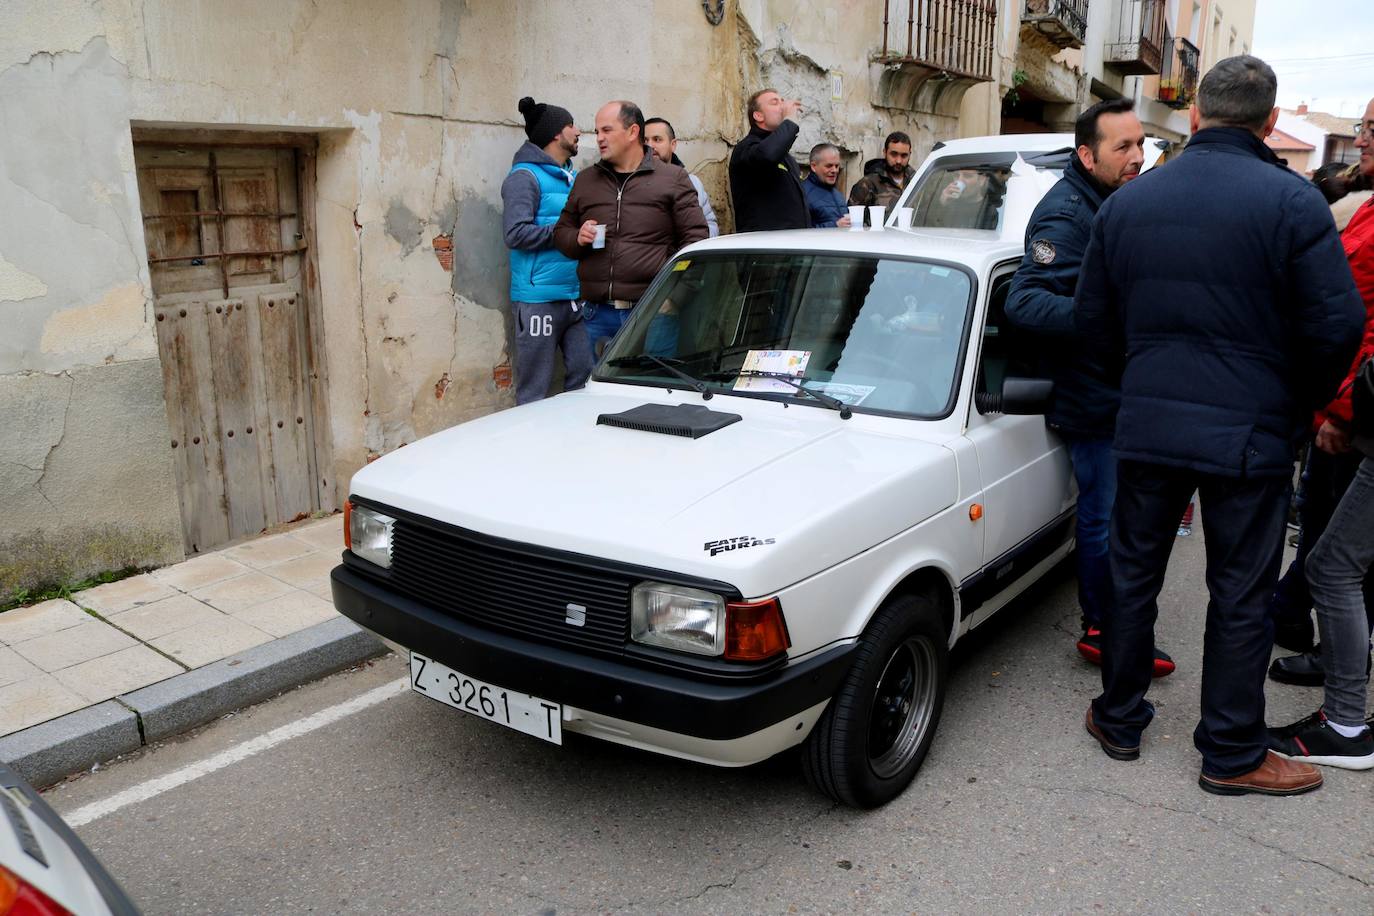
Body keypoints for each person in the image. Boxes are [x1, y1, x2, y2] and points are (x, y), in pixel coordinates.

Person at [1075, 56, 1365, 796]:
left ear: (1197, 115)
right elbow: (1338, 325)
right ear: (1270, 123)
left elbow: (1093, 325)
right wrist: (1296, 404)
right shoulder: (1292, 202)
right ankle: (1231, 752)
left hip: (1150, 425)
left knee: (1134, 574)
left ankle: (1119, 717)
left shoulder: (1130, 203)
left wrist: (1136, 386)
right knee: (1241, 590)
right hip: (1251, 432)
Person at [1004, 99, 1175, 679]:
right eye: (1122, 147)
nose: (1137, 156)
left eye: (1140, 144)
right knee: (1104, 519)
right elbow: (1025, 301)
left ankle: (1117, 622)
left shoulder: (1112, 199)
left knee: (1123, 518)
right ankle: (1103, 628)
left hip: (1121, 390)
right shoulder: (1066, 215)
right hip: (1091, 396)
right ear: (1086, 155)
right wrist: (1106, 316)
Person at [1265, 99, 1374, 769]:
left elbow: (1362, 324)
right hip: (1355, 410)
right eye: (1363, 126)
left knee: (1333, 564)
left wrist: (1340, 409)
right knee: (1339, 557)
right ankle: (1342, 677)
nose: (1362, 139)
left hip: (1359, 411)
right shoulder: (1365, 206)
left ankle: (1347, 725)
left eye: (1373, 130)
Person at [553, 100, 709, 357]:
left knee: (650, 383)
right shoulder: (586, 180)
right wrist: (577, 237)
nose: (599, 138)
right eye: (597, 131)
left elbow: (696, 241)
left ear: (633, 132)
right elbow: (561, 232)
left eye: (607, 130)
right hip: (596, 314)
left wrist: (674, 298)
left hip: (652, 312)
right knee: (593, 383)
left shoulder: (672, 178)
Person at [501, 96, 593, 405]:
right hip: (538, 300)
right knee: (534, 391)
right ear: (555, 133)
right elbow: (515, 233)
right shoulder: (523, 178)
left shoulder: (573, 177)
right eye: (571, 125)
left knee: (585, 382)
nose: (578, 131)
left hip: (574, 297)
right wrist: (566, 234)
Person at [729, 89, 809, 232]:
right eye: (775, 103)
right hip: (764, 242)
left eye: (782, 101)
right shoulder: (747, 148)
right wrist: (789, 121)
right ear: (758, 116)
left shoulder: (786, 157)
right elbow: (768, 155)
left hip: (793, 239)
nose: (783, 106)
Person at [644, 117, 718, 238]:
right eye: (645, 140)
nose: (650, 145)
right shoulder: (633, 183)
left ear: (673, 145)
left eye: (657, 139)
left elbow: (710, 225)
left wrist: (693, 240)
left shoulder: (692, 182)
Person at [847, 132, 914, 225]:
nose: (898, 160)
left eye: (904, 155)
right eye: (894, 154)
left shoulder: (916, 181)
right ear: (885, 152)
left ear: (910, 155)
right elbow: (852, 222)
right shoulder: (867, 184)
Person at [803, 143, 851, 228]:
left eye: (837, 166)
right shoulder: (802, 193)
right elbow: (798, 230)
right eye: (829, 166)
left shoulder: (837, 194)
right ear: (813, 166)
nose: (834, 170)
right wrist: (835, 226)